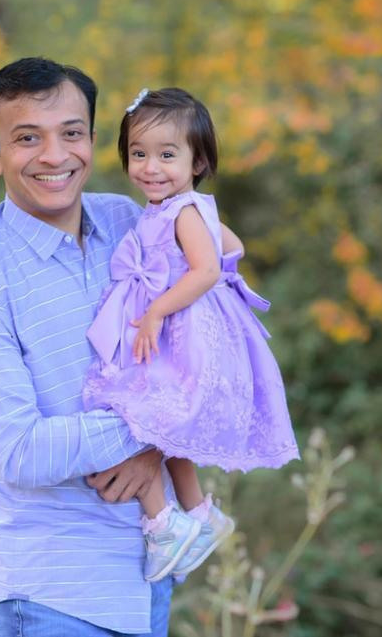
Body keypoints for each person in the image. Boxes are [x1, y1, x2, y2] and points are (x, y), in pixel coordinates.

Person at [0, 58, 174, 636]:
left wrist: (155, 448)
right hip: (46, 598)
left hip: (145, 581)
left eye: (70, 133)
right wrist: (153, 425)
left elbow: (210, 349)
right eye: (26, 139)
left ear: (92, 139)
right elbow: (17, 449)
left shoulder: (130, 224)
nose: (54, 155)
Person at [82, 87, 300, 583]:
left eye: (166, 155)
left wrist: (159, 308)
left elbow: (204, 270)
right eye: (138, 154)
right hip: (179, 323)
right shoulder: (182, 208)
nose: (150, 167)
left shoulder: (181, 211)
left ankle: (162, 521)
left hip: (178, 329)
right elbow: (234, 246)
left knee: (137, 408)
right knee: (166, 427)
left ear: (197, 161)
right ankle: (199, 513)